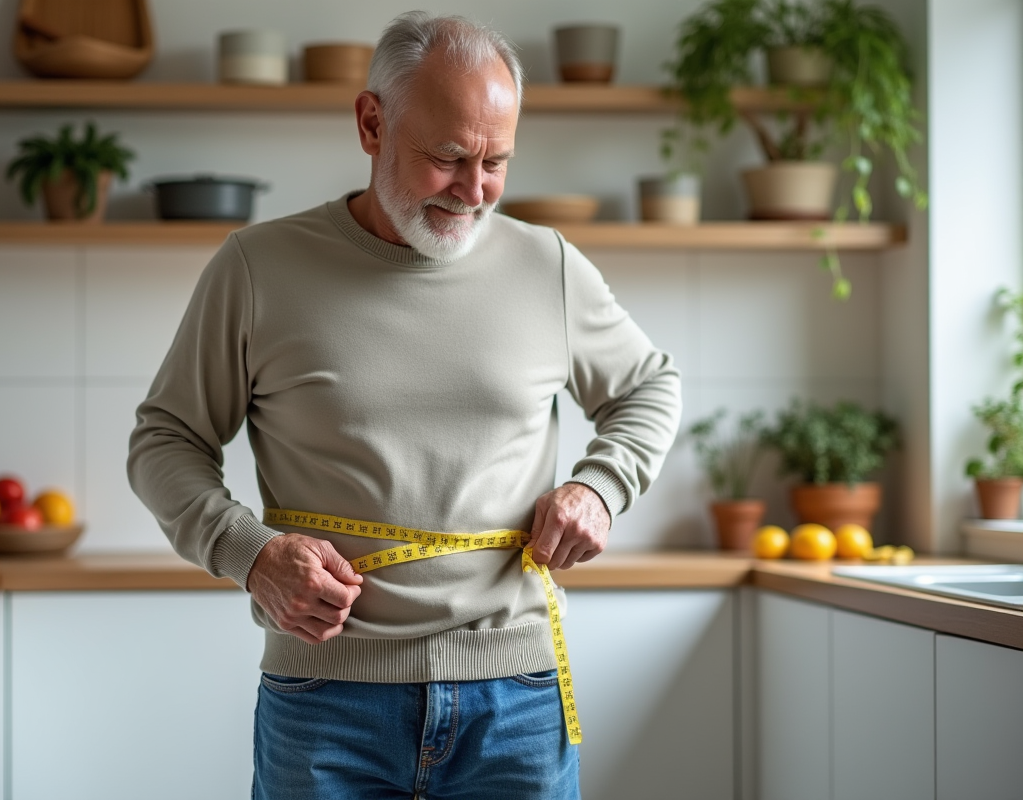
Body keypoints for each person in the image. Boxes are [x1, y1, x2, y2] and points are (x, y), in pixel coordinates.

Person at [128, 11, 681, 800]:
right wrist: (249, 552)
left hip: (516, 698)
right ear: (371, 121)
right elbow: (165, 439)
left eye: (497, 161)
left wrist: (600, 486)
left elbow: (650, 386)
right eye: (448, 157)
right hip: (326, 706)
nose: (475, 189)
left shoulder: (548, 265)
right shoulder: (257, 268)